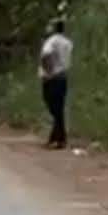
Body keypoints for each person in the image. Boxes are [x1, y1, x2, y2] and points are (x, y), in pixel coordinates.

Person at [39, 18, 73, 149]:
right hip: (63, 77)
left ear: (54, 28)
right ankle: (57, 138)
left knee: (53, 107)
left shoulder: (51, 41)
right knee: (59, 108)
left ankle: (59, 138)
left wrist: (48, 71)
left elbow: (45, 56)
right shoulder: (68, 43)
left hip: (52, 78)